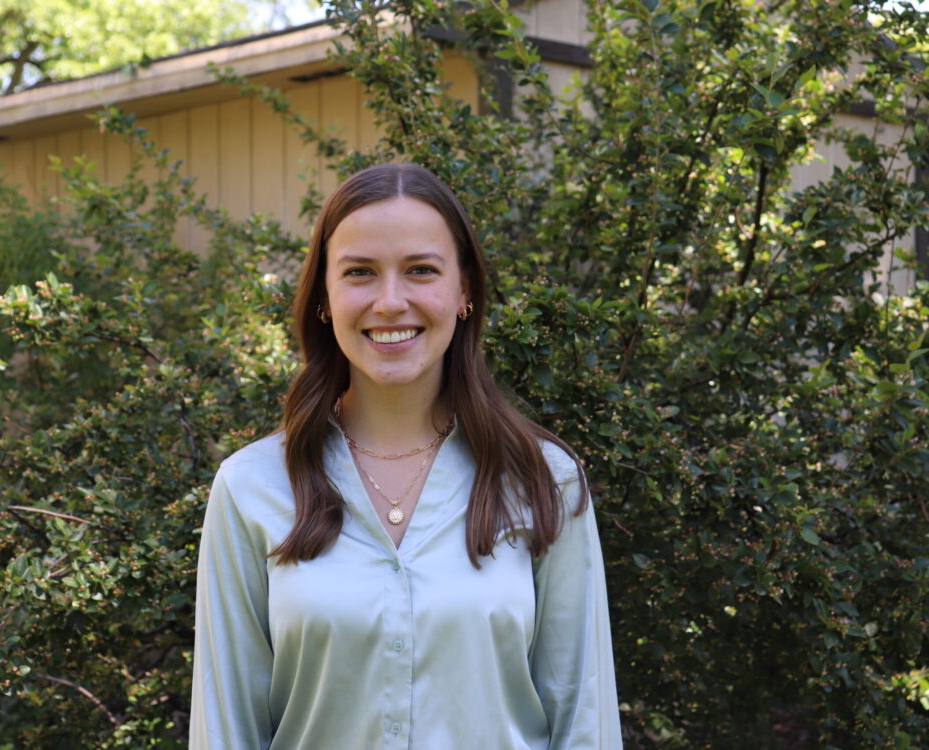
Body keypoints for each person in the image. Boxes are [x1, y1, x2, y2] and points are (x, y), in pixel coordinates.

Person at [190, 162, 622, 749]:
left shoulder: (546, 481)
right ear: (324, 296)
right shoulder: (251, 487)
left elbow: (585, 721)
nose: (391, 302)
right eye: (360, 272)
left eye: (421, 270)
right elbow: (224, 729)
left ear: (464, 290)